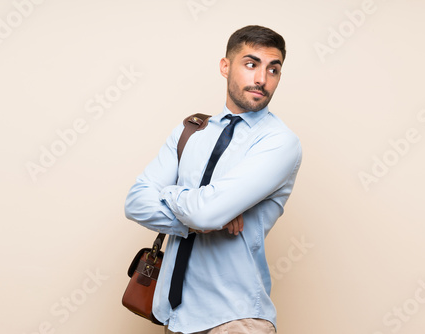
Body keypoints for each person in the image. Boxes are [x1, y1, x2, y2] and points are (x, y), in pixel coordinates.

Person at [125, 25, 302, 334]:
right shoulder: (190, 131)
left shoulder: (278, 142)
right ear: (225, 66)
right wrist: (195, 218)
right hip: (174, 317)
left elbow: (207, 213)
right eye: (251, 64)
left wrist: (172, 196)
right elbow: (136, 202)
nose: (262, 78)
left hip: (236, 320)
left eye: (273, 69)